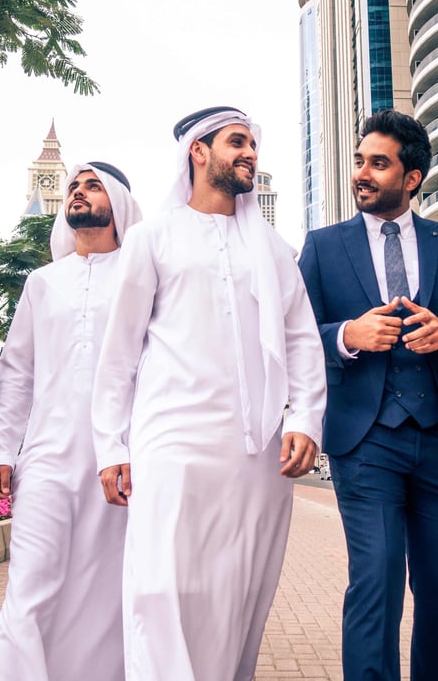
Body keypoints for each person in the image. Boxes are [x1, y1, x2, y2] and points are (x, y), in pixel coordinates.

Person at [92, 106, 326, 681]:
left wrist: (306, 420)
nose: (250, 153)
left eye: (253, 145)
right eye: (237, 142)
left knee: (236, 592)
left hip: (255, 448)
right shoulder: (152, 238)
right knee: (159, 587)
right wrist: (110, 446)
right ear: (199, 152)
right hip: (171, 436)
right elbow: (118, 352)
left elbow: (300, 340)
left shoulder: (271, 247)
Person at [297, 109, 438, 681]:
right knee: (375, 580)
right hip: (366, 437)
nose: (363, 173)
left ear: (411, 178)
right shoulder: (323, 246)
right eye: (360, 161)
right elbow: (294, 336)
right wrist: (346, 336)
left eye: (378, 163)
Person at [0, 161, 142, 680]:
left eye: (92, 186)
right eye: (74, 186)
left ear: (117, 204)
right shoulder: (43, 282)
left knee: (107, 591)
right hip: (47, 457)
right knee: (28, 587)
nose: (79, 192)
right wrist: (0, 449)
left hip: (121, 459)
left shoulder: (144, 278)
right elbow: (16, 372)